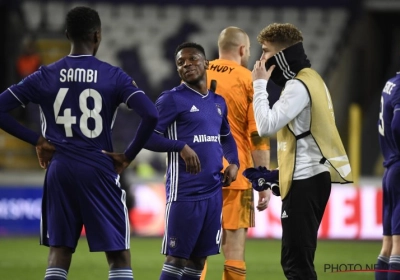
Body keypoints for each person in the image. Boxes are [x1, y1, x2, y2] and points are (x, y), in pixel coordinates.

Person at [0, 6, 158, 280]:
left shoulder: (45, 75)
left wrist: (37, 140)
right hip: (99, 167)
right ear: (97, 36)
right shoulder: (113, 76)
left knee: (59, 252)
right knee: (118, 254)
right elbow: (151, 114)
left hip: (60, 168)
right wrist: (128, 156)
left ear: (66, 35)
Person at [246, 23, 353, 280]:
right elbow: (308, 138)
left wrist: (259, 85)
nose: (260, 59)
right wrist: (280, 174)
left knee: (297, 263)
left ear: (282, 54)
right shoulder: (313, 79)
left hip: (306, 181)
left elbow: (265, 125)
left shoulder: (297, 86)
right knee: (297, 259)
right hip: (309, 176)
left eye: (265, 51)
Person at [143, 42, 240, 280]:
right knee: (176, 258)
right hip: (184, 192)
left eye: (193, 59)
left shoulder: (218, 102)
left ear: (206, 63)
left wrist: (234, 163)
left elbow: (227, 137)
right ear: (177, 70)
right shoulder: (171, 100)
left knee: (198, 260)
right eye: (181, 62)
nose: (187, 64)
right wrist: (180, 146)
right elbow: (147, 138)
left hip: (213, 192)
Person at [200, 26, 271, 280]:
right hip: (237, 175)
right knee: (234, 247)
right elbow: (257, 136)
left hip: (198, 172)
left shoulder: (197, 72)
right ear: (242, 50)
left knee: (197, 247)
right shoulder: (248, 79)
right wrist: (262, 179)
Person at [376, 72, 400, 280]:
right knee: (398, 246)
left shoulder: (391, 82)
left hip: (390, 167)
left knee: (388, 244)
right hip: (399, 167)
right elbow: (397, 125)